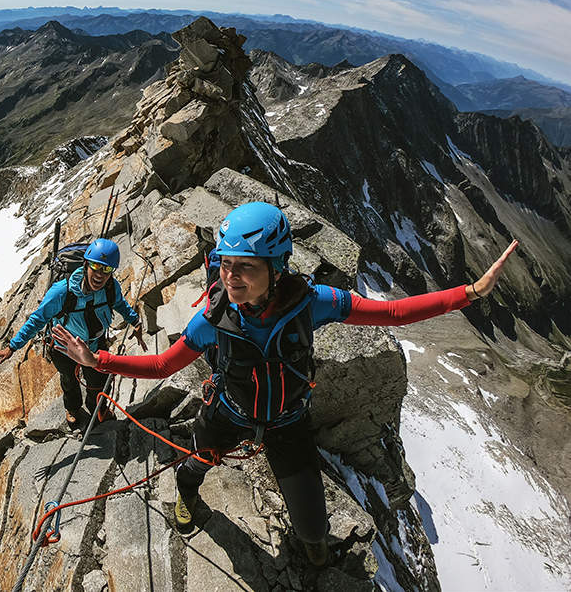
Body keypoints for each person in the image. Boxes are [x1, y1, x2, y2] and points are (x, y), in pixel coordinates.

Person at [52, 201, 518, 565]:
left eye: (245, 268)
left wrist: (470, 293)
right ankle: (187, 494)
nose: (230, 278)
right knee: (194, 466)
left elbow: (392, 314)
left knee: (313, 527)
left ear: (276, 269)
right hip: (228, 412)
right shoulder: (212, 320)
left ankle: (313, 548)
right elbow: (162, 367)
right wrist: (99, 361)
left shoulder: (312, 302)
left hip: (288, 422)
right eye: (226, 264)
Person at [0, 238, 148, 425]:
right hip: (64, 349)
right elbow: (38, 319)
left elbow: (120, 304)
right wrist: (13, 347)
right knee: (69, 381)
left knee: (100, 380)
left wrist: (135, 321)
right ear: (86, 264)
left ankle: (98, 409)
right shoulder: (62, 291)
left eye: (106, 269)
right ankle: (72, 409)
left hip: (94, 345)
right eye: (95, 266)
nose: (100, 274)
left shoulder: (111, 288)